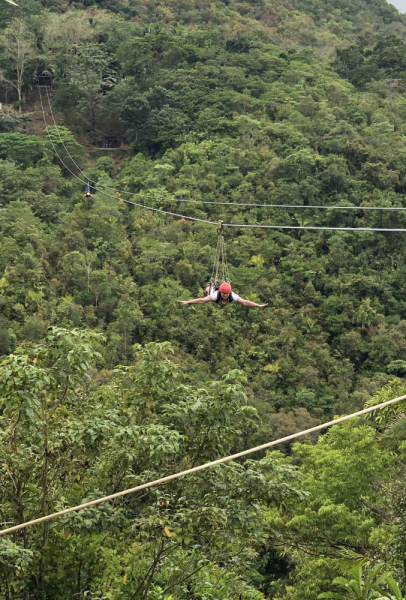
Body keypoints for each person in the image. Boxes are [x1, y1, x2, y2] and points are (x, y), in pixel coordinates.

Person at [178, 282, 268, 308]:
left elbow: (244, 302)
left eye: (226, 294)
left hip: (220, 301)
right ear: (221, 292)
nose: (225, 296)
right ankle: (210, 287)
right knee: (207, 292)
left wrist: (257, 305)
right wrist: (188, 302)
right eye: (223, 294)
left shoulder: (232, 295)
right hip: (214, 293)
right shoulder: (216, 295)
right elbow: (202, 300)